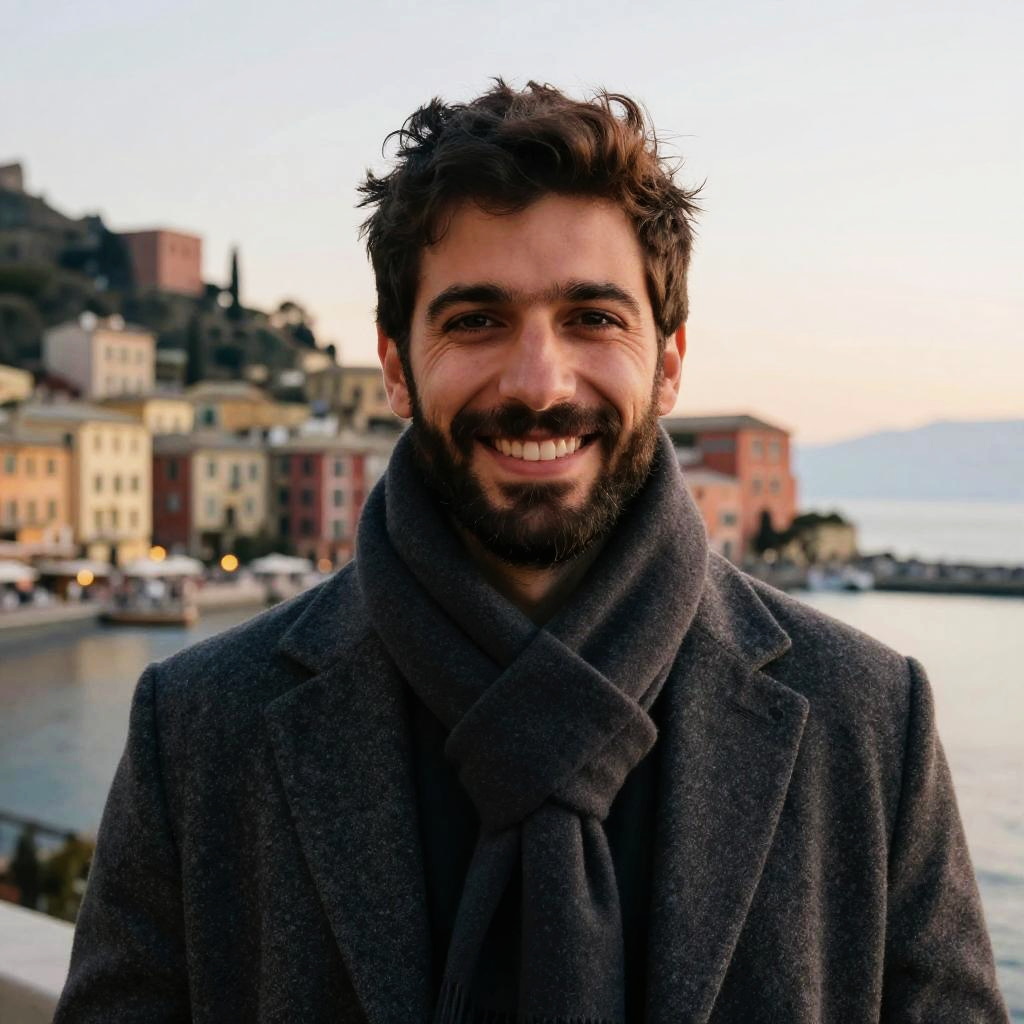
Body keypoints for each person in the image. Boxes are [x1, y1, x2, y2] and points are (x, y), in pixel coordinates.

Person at [56, 82, 1007, 1023]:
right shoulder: (198, 731)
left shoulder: (872, 724)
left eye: (593, 318)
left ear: (669, 362)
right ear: (395, 366)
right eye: (476, 320)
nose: (539, 384)